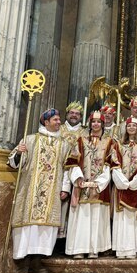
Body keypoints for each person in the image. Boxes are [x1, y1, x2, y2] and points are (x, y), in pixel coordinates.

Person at [7, 109, 71, 273]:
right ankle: (23, 264)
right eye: (56, 120)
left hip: (52, 191)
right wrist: (19, 153)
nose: (59, 122)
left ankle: (37, 262)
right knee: (28, 227)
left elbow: (67, 169)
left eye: (59, 120)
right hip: (30, 191)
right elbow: (13, 163)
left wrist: (65, 188)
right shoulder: (30, 140)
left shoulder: (64, 144)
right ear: (46, 122)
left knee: (44, 228)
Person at [65, 111, 113, 259]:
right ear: (90, 124)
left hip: (100, 186)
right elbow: (72, 161)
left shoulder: (109, 142)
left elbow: (110, 164)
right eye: (93, 122)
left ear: (103, 124)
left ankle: (94, 248)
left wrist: (99, 183)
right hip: (82, 184)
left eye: (99, 122)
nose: (96, 124)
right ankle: (79, 248)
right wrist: (78, 178)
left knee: (97, 217)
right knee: (82, 218)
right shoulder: (81, 140)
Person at [111, 116, 137, 259]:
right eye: (129, 126)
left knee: (133, 218)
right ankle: (120, 249)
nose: (131, 128)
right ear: (125, 128)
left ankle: (132, 249)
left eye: (134, 126)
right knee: (121, 217)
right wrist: (122, 181)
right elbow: (114, 164)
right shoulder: (118, 145)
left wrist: (135, 182)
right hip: (121, 186)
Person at [57, 101, 86, 243]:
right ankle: (57, 238)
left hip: (77, 172)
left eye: (77, 114)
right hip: (59, 170)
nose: (74, 116)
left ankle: (69, 239)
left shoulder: (85, 132)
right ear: (67, 114)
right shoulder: (59, 129)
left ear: (81, 117)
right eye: (72, 113)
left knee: (74, 207)